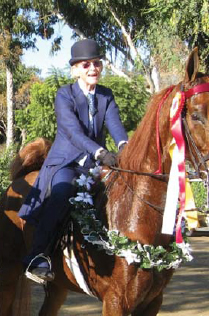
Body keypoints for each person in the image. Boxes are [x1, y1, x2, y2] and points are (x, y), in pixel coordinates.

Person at [19, 39, 128, 283]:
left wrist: (124, 147)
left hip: (94, 165)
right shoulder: (64, 94)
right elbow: (73, 132)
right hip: (67, 162)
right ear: (75, 69)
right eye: (87, 64)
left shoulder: (106, 96)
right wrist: (100, 152)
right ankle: (37, 256)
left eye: (97, 63)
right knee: (62, 194)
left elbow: (115, 126)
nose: (93, 68)